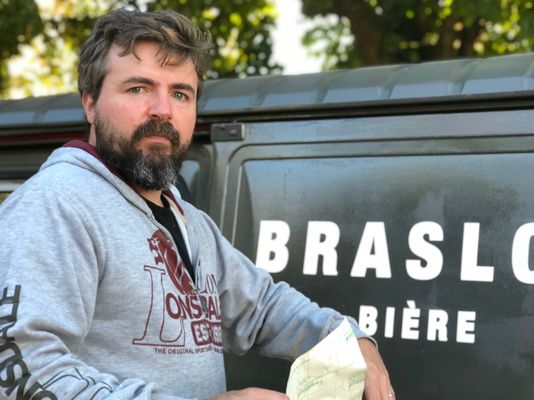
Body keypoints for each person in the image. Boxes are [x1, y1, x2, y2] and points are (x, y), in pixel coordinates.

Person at [0, 8, 394, 400]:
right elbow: (23, 374)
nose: (162, 110)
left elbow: (262, 308)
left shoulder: (191, 223)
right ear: (90, 104)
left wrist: (349, 340)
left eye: (180, 93)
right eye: (138, 88)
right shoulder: (55, 206)